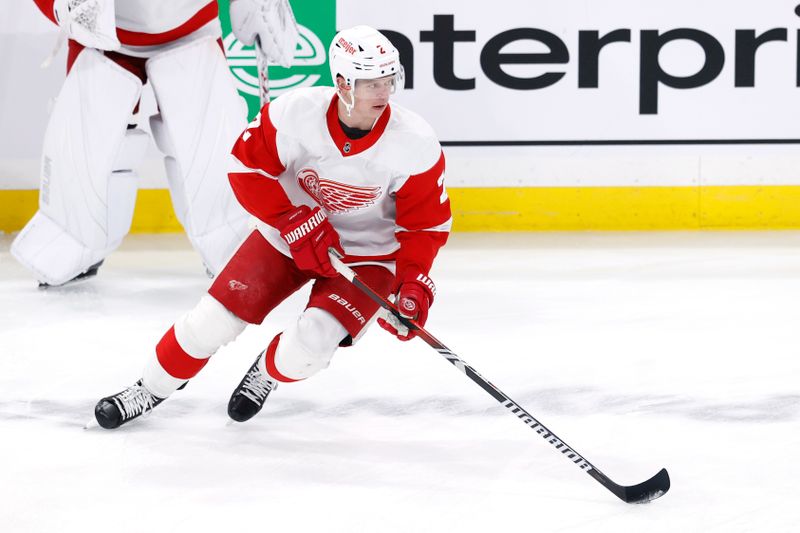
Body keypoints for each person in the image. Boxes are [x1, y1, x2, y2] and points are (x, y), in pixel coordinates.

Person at [93, 25, 453, 429]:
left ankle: (266, 372)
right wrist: (292, 219)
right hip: (287, 237)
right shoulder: (295, 113)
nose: (383, 93)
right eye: (370, 82)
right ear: (341, 82)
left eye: (388, 80)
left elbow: (424, 227)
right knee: (211, 322)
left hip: (368, 256)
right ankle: (149, 387)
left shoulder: (415, 142)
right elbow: (245, 168)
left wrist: (412, 283)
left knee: (312, 345)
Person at [13, 0, 297, 287]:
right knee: (89, 144)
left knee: (210, 148)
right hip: (103, 34)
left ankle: (229, 240)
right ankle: (72, 237)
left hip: (191, 29)